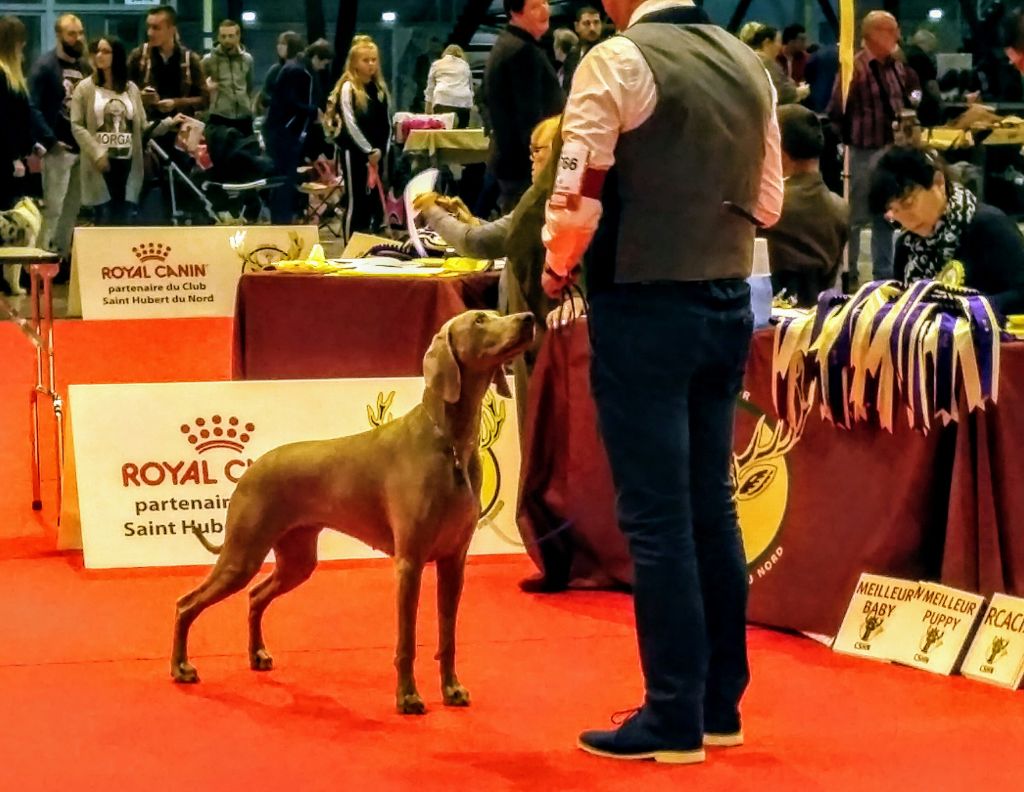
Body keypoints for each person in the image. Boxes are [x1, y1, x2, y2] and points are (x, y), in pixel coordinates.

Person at [540, 0, 782, 762]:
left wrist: (555, 265)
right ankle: (718, 706)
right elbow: (767, 203)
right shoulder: (750, 65)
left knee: (657, 518)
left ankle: (671, 715)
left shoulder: (615, 59)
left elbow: (575, 190)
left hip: (644, 302)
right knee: (711, 505)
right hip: (724, 297)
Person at [869, 146, 1024, 315]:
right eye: (894, 212)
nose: (906, 219)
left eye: (908, 203)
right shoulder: (906, 247)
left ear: (938, 182)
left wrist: (970, 308)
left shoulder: (989, 226)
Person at [828, 11, 919, 285]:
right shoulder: (853, 68)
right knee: (856, 217)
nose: (898, 37)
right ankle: (850, 274)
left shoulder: (897, 67)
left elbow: (910, 97)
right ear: (875, 34)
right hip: (863, 151)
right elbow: (835, 110)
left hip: (890, 151)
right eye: (892, 31)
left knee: (886, 215)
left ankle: (883, 277)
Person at [71, 37, 167, 225]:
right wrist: (96, 152)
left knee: (125, 220)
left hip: (127, 163)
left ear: (117, 56)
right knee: (103, 218)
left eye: (106, 51)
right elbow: (77, 125)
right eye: (97, 51)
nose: (100, 56)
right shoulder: (85, 88)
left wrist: (169, 122)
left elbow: (142, 127)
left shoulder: (130, 89)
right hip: (100, 163)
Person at [764, 105, 848, 307]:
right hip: (817, 318)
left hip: (769, 322)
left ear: (778, 149)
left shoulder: (768, 207)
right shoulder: (840, 209)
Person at [484, 0, 564, 213]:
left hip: (516, 164)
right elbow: (530, 120)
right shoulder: (521, 51)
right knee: (524, 240)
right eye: (535, 6)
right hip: (525, 168)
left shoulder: (512, 44)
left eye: (545, 2)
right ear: (515, 13)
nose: (545, 9)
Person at [30, 13, 90, 268]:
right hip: (58, 148)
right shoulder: (45, 67)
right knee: (53, 207)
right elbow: (32, 106)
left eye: (80, 33)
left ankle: (60, 260)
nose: (77, 38)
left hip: (81, 146)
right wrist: (50, 140)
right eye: (71, 34)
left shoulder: (86, 67)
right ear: (59, 36)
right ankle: (38, 263)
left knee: (72, 209)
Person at [325, 36, 391, 239]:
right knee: (356, 201)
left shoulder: (379, 89)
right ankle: (349, 246)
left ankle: (369, 243)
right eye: (365, 60)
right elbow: (350, 123)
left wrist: (381, 150)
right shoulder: (349, 88)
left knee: (374, 203)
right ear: (354, 62)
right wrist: (367, 150)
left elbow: (386, 123)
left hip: (377, 154)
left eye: (374, 60)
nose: (371, 64)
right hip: (354, 152)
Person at [263, 38, 332, 224]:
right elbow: (289, 102)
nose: (323, 68)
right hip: (285, 133)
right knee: (285, 179)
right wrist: (313, 111)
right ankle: (282, 220)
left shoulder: (296, 68)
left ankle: (283, 218)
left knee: (284, 178)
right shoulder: (299, 71)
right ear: (316, 57)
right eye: (323, 63)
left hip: (284, 132)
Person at [0, 15, 34, 295]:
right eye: (21, 41)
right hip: (4, 161)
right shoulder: (2, 75)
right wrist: (13, 157)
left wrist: (34, 145)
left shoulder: (12, 74)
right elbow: (3, 121)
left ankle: (8, 280)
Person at [128, 6, 207, 125]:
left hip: (180, 130)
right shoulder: (139, 57)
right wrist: (140, 96)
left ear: (172, 30)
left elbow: (205, 99)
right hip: (148, 128)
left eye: (156, 28)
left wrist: (176, 103)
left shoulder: (189, 59)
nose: (150, 33)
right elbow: (121, 91)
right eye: (148, 27)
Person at [202, 19, 254, 136]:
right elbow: (199, 85)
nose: (227, 40)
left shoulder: (247, 59)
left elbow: (249, 86)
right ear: (218, 37)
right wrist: (207, 87)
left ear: (238, 36)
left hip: (243, 116)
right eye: (223, 36)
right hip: (219, 116)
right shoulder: (209, 60)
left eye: (231, 36)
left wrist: (248, 106)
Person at [749, 24, 808, 105]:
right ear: (767, 42)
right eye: (778, 41)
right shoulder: (767, 62)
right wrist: (801, 91)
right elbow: (783, 93)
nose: (780, 46)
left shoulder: (750, 58)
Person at [423, 44, 473, 128]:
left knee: (441, 126)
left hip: (442, 97)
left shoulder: (436, 64)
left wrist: (428, 108)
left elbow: (430, 88)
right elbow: (470, 87)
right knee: (463, 127)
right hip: (463, 99)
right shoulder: (465, 65)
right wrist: (471, 104)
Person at [256, 31, 302, 115]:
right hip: (277, 117)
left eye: (283, 44)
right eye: (279, 44)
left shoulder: (303, 70)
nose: (279, 47)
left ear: (293, 46)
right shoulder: (275, 70)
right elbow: (265, 95)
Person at [562, 5, 604, 89]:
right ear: (577, 27)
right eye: (587, 23)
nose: (592, 28)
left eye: (596, 22)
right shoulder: (572, 54)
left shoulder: (607, 51)